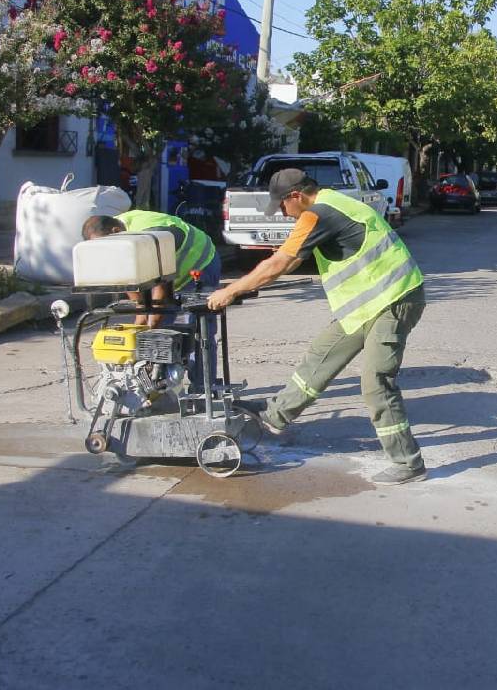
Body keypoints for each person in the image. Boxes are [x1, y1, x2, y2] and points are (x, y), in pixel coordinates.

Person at [206, 168, 428, 486]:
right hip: (368, 303)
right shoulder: (335, 203)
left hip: (393, 300)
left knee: (376, 381)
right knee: (322, 355)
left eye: (282, 205)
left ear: (296, 196)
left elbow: (280, 264)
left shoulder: (316, 214)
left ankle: (408, 462)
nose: (282, 212)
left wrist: (229, 290)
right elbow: (289, 260)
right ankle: (275, 415)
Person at [81, 211, 221, 391]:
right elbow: (127, 278)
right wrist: (139, 317)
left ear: (116, 230)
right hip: (169, 273)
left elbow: (161, 285)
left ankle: (203, 389)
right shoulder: (116, 236)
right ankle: (157, 388)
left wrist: (150, 326)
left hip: (200, 264)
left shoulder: (152, 235)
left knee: (196, 331)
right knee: (159, 334)